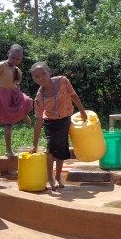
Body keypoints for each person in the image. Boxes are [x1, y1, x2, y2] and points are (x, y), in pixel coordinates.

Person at [30, 62, 87, 191]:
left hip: (65, 120)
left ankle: (57, 177)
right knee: (50, 149)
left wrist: (82, 111)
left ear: (49, 71)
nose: (41, 78)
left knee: (61, 150)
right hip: (50, 122)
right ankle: (49, 177)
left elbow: (73, 95)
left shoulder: (62, 81)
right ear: (34, 79)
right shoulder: (40, 97)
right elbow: (38, 120)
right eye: (37, 76)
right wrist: (35, 144)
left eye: (43, 73)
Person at [0, 44, 34, 158]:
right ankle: (8, 150)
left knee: (27, 101)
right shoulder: (1, 66)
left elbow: (17, 86)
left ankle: (24, 114)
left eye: (18, 59)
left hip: (13, 94)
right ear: (8, 53)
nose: (15, 60)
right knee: (8, 124)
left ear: (21, 58)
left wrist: (20, 101)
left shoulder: (17, 71)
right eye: (13, 57)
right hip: (2, 97)